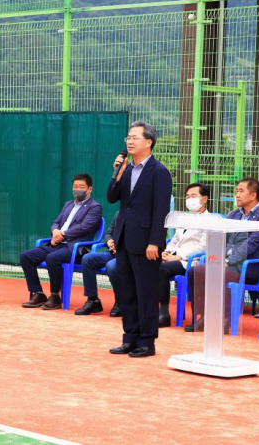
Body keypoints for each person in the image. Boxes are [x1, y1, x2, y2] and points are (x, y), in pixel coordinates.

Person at [107, 121, 172, 358]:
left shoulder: (159, 172)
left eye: (134, 138)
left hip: (146, 243)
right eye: (128, 138)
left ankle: (147, 341)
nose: (129, 141)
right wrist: (118, 173)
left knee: (146, 293)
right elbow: (112, 197)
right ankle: (130, 338)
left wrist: (155, 241)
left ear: (148, 142)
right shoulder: (126, 169)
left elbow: (161, 210)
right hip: (124, 238)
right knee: (127, 292)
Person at [186, 178, 259, 332]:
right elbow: (222, 239)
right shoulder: (233, 214)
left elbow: (250, 246)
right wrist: (217, 257)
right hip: (227, 263)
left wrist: (227, 261)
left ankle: (223, 319)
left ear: (253, 195)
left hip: (248, 266)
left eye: (241, 191)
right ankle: (202, 316)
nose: (237, 195)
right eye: (236, 192)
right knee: (196, 271)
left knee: (216, 272)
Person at [19, 174, 103, 310]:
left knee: (52, 258)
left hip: (75, 248)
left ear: (89, 189)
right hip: (56, 244)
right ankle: (38, 293)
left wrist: (62, 234)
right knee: (26, 256)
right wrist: (55, 232)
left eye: (81, 187)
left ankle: (55, 297)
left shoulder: (95, 207)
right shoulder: (68, 204)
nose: (78, 190)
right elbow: (56, 222)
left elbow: (84, 227)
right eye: (75, 187)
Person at [157, 183, 212, 328]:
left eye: (194, 196)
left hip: (192, 261)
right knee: (152, 263)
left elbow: (204, 246)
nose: (189, 199)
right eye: (187, 196)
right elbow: (175, 239)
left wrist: (179, 257)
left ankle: (163, 314)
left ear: (204, 199)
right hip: (175, 259)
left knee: (161, 268)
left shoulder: (210, 220)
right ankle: (152, 310)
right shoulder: (184, 218)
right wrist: (167, 252)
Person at [74, 211, 121, 316]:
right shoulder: (118, 213)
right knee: (88, 258)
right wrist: (109, 242)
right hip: (112, 253)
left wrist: (121, 247)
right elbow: (108, 233)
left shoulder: (139, 214)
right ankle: (93, 300)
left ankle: (120, 302)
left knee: (111, 266)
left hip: (126, 255)